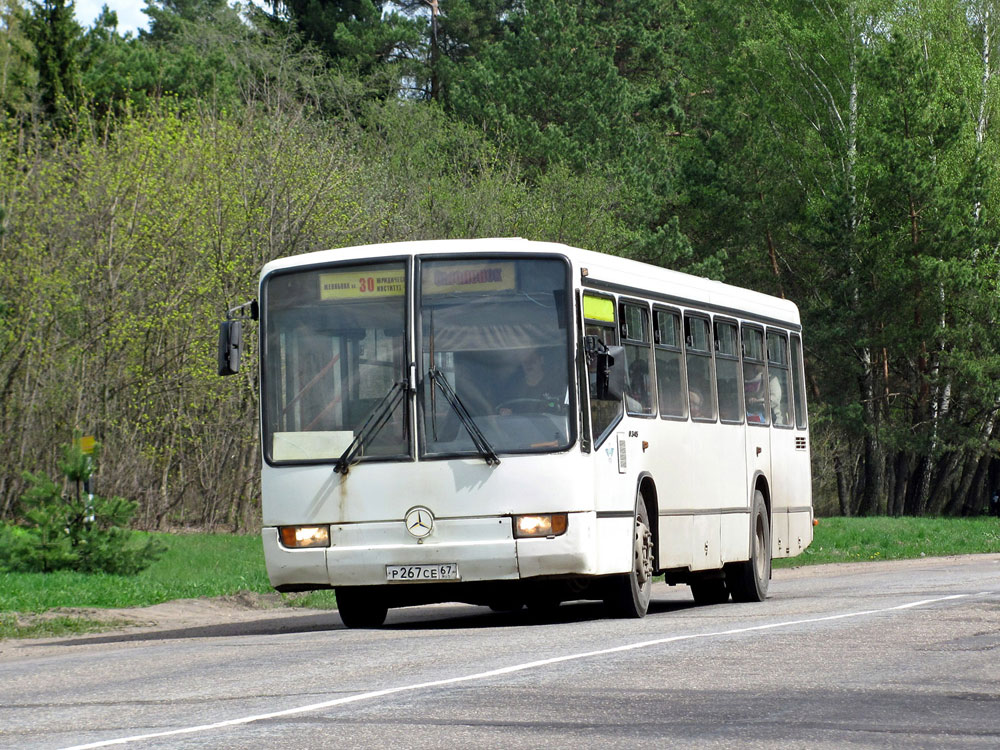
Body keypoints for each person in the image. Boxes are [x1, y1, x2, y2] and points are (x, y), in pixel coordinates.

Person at [498, 348, 565, 415]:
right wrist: (507, 412)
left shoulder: (555, 384)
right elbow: (508, 407)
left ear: (541, 360)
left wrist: (549, 405)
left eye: (532, 360)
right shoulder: (514, 387)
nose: (528, 364)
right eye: (525, 361)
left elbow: (556, 405)